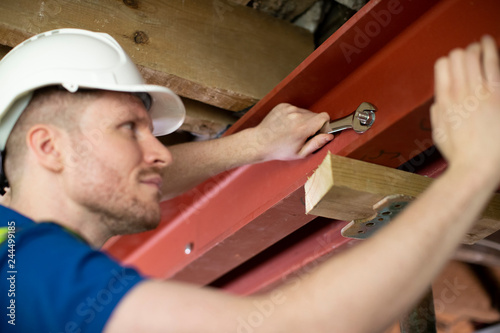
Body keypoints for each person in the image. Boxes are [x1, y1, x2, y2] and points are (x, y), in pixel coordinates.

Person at [0, 28, 499, 333]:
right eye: (128, 128)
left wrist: (256, 145)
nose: (159, 153)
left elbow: (124, 173)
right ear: (48, 148)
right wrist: (474, 169)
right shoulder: (28, 272)